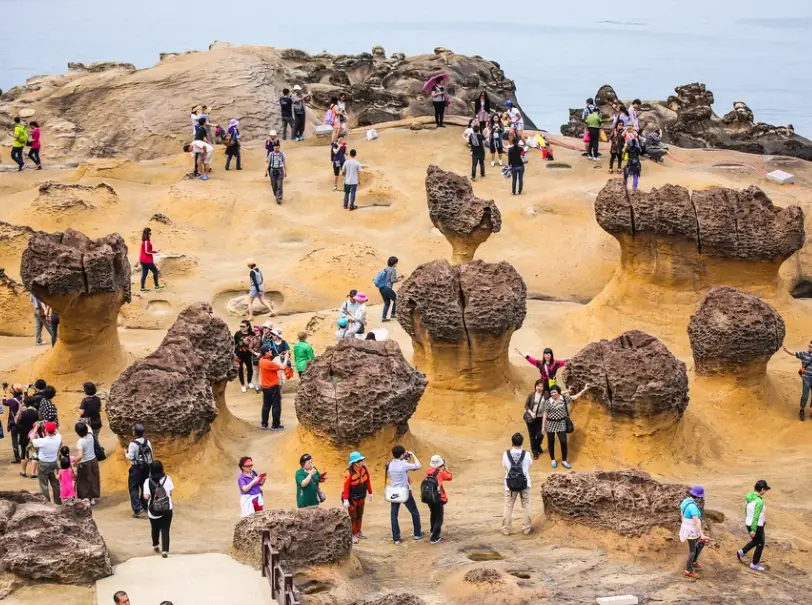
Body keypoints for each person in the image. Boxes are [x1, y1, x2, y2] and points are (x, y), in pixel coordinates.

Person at [543, 384, 590, 469]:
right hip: (550, 424)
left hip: (561, 423)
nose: (553, 394)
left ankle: (564, 461)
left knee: (563, 442)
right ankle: (553, 459)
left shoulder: (564, 399)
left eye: (555, 392)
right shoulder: (548, 402)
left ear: (558, 392)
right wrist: (543, 426)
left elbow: (575, 397)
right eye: (552, 393)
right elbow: (545, 414)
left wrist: (584, 389)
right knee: (551, 443)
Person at [387, 445, 424, 545]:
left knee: (394, 515)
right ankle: (417, 533)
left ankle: (396, 538)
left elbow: (400, 463)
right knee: (414, 512)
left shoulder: (391, 464)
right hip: (404, 492)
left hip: (394, 492)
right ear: (402, 454)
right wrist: (412, 454)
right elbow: (418, 466)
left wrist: (404, 458)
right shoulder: (403, 465)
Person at [502, 432, 533, 535]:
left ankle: (506, 529)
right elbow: (530, 464)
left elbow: (504, 466)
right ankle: (527, 528)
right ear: (522, 443)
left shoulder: (506, 454)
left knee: (508, 506)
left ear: (512, 442)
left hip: (510, 484)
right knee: (526, 505)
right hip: (525, 483)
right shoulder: (527, 454)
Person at [143, 460, 174, 558]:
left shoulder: (147, 481)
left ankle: (156, 544)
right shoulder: (168, 479)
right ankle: (165, 550)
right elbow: (171, 492)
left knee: (154, 528)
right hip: (167, 508)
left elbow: (146, 497)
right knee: (165, 529)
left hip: (153, 510)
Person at [737, 480, 770, 571]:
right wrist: (753, 529)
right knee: (760, 543)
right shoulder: (759, 501)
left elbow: (746, 510)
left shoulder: (748, 496)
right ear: (762, 489)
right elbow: (756, 516)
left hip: (749, 522)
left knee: (756, 541)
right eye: (765, 490)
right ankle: (754, 563)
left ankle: (742, 552)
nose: (765, 492)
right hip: (756, 525)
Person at [342, 451, 373, 543]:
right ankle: (353, 533)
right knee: (353, 516)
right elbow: (346, 486)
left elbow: (367, 481)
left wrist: (370, 493)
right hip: (352, 498)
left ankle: (358, 531)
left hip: (362, 496)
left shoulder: (364, 469)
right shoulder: (349, 472)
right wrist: (345, 499)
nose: (361, 462)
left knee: (360, 514)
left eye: (361, 460)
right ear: (353, 463)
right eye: (358, 461)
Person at [680, 485, 708, 579]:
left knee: (700, 543)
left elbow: (682, 515)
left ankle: (694, 562)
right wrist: (702, 534)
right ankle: (688, 570)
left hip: (688, 529)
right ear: (699, 497)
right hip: (692, 531)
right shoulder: (692, 507)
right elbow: (696, 522)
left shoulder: (685, 501)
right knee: (692, 551)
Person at [126, 424, 153, 518]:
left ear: (134, 432)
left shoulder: (133, 444)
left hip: (136, 468)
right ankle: (145, 505)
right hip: (146, 467)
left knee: (133, 487)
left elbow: (130, 457)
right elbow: (151, 454)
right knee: (144, 486)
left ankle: (137, 508)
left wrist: (125, 453)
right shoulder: (147, 442)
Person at [424, 454, 452, 544]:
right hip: (437, 497)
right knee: (439, 518)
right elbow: (449, 477)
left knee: (433, 514)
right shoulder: (440, 473)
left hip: (429, 497)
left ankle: (433, 531)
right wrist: (446, 467)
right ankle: (435, 538)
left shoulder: (428, 471)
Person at [781, 342, 812, 421]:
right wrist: (786, 350)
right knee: (805, 395)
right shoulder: (804, 354)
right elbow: (794, 353)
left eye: (811, 347)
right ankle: (802, 410)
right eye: (809, 346)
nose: (809, 348)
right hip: (806, 379)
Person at [33, 421, 62, 503]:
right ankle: (58, 503)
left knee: (44, 486)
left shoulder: (42, 441)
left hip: (43, 464)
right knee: (56, 485)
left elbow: (32, 438)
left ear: (45, 431)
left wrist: (35, 428)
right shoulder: (58, 438)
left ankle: (47, 504)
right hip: (54, 464)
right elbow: (58, 433)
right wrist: (54, 427)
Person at [74, 422, 100, 505]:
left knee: (83, 482)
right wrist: (84, 423)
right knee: (93, 479)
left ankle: (86, 498)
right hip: (93, 460)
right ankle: (92, 498)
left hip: (84, 464)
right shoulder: (91, 436)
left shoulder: (80, 442)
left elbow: (80, 456)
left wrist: (74, 462)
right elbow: (89, 428)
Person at [258, 345, 283, 430]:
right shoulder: (269, 363)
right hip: (273, 387)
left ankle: (264, 424)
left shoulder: (261, 361)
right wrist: (286, 358)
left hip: (265, 387)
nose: (271, 352)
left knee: (266, 405)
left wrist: (279, 356)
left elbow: (270, 363)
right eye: (270, 351)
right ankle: (275, 425)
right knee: (276, 406)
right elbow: (282, 367)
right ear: (266, 352)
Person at [524, 379, 547, 459]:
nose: (539, 388)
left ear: (544, 388)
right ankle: (535, 452)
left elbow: (556, 394)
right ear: (535, 386)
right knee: (532, 436)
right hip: (531, 418)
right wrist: (531, 413)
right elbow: (526, 406)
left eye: (541, 386)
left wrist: (568, 391)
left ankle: (537, 446)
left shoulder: (546, 395)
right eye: (538, 386)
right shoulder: (531, 395)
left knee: (540, 434)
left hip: (541, 418)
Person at [17, 399, 39, 478]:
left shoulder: (22, 413)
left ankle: (23, 472)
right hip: (33, 435)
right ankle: (33, 473)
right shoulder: (36, 413)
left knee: (23, 453)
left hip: (23, 435)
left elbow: (17, 422)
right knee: (34, 453)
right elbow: (38, 424)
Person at [137, 227, 163, 293]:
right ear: (147, 234)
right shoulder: (146, 242)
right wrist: (155, 252)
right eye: (150, 233)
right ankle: (156, 286)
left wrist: (154, 251)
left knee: (144, 274)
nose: (150, 235)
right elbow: (147, 251)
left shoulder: (145, 241)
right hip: (147, 260)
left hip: (143, 260)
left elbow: (147, 250)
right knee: (155, 271)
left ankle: (142, 288)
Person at [3, 383, 23, 462]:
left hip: (14, 423)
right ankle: (23, 455)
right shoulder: (25, 398)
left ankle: (17, 458)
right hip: (23, 422)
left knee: (14, 440)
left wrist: (4, 391)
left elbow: (4, 402)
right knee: (23, 440)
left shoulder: (11, 401)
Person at [377, 256, 400, 322]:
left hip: (381, 288)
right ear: (394, 263)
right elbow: (392, 280)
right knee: (397, 299)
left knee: (387, 303)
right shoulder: (393, 269)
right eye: (396, 263)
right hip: (387, 288)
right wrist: (398, 279)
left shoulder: (386, 269)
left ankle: (384, 318)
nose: (396, 264)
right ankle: (393, 314)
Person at [235, 321, 255, 392]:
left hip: (248, 355)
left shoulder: (251, 333)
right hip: (239, 355)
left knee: (250, 369)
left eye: (243, 326)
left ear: (248, 327)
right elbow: (234, 344)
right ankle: (243, 385)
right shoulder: (237, 334)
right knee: (240, 370)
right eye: (241, 326)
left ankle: (249, 382)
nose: (242, 328)